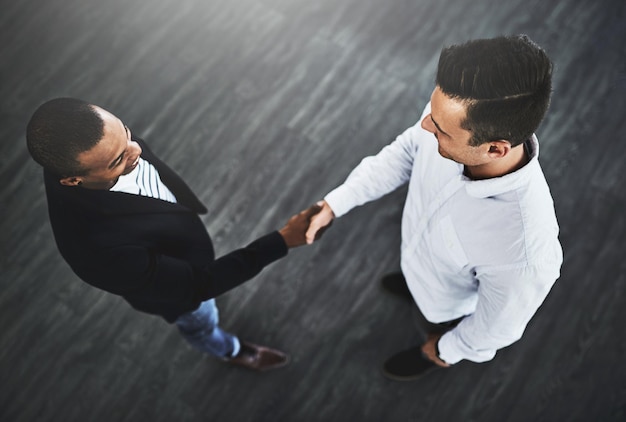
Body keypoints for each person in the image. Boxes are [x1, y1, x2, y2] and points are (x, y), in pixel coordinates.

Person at [305, 35, 563, 380]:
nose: (426, 125)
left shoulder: (525, 251)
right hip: (417, 260)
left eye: (439, 129)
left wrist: (445, 349)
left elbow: (497, 328)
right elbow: (406, 151)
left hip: (443, 309)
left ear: (495, 150)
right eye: (432, 113)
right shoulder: (449, 116)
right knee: (413, 282)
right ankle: (412, 285)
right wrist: (335, 203)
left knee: (428, 325)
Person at [26, 97, 320, 372]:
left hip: (180, 240)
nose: (136, 150)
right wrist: (282, 240)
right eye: (118, 160)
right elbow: (197, 287)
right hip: (184, 293)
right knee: (202, 323)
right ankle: (230, 350)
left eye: (127, 132)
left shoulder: (108, 143)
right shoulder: (98, 251)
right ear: (74, 179)